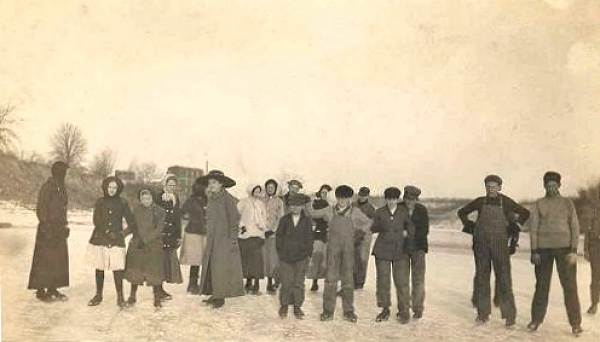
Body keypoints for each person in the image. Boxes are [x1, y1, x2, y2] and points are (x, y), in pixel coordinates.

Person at [457, 175, 529, 326]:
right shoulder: (480, 201)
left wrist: (516, 226)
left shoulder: (506, 202)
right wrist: (471, 227)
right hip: (481, 245)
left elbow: (525, 213)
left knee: (504, 279)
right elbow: (462, 212)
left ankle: (509, 316)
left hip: (500, 245)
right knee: (482, 279)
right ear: (485, 187)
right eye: (488, 186)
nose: (491, 189)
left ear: (500, 187)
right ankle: (483, 314)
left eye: (494, 186)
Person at [528, 171, 583, 336]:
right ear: (544, 186)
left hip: (565, 250)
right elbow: (533, 229)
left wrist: (574, 250)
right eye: (548, 185)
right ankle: (536, 320)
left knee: (570, 287)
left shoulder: (567, 203)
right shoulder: (539, 204)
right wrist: (534, 251)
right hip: (543, 251)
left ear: (559, 185)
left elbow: (575, 227)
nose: (551, 188)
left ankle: (575, 324)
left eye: (554, 185)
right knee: (541, 287)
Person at [319, 185, 372, 323]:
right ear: (337, 198)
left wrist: (360, 233)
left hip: (349, 251)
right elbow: (314, 213)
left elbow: (369, 222)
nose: (342, 201)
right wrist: (306, 204)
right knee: (330, 280)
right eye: (340, 198)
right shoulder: (330, 210)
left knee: (348, 281)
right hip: (333, 251)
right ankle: (327, 311)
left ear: (350, 198)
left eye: (346, 198)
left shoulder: (355, 211)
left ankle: (348, 311)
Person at [86, 176, 136, 308]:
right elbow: (96, 221)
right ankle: (98, 295)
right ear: (105, 188)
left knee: (117, 268)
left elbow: (132, 222)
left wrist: (122, 234)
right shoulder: (100, 202)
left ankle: (120, 298)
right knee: (100, 266)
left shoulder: (123, 203)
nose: (112, 190)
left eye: (115, 187)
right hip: (100, 238)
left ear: (118, 189)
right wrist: (107, 233)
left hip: (116, 241)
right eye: (110, 187)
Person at [198, 170, 244, 308]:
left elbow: (234, 220)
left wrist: (232, 239)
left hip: (224, 240)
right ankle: (214, 293)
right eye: (209, 182)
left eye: (214, 182)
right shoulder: (212, 198)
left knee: (221, 268)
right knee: (212, 267)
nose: (211, 185)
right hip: (212, 239)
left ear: (221, 184)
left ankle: (220, 297)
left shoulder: (228, 199)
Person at [27, 161, 71, 302]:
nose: (65, 174)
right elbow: (41, 209)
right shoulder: (48, 186)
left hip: (58, 230)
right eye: (63, 171)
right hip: (47, 230)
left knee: (57, 260)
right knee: (44, 260)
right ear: (57, 172)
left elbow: (62, 210)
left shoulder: (61, 187)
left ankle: (53, 288)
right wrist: (46, 227)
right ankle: (40, 290)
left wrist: (64, 226)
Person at [371, 187, 415, 324]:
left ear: (398, 199)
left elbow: (411, 226)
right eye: (389, 199)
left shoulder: (403, 211)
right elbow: (373, 227)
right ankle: (384, 309)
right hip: (382, 250)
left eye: (394, 199)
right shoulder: (379, 212)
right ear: (386, 199)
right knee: (383, 282)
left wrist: (408, 233)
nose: (391, 201)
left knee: (402, 282)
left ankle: (404, 311)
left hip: (400, 251)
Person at [124, 188, 165, 308]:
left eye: (148, 198)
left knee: (155, 274)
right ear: (140, 199)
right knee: (135, 272)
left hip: (153, 246)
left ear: (152, 198)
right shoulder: (136, 210)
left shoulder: (159, 211)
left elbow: (159, 229)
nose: (146, 201)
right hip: (137, 245)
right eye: (143, 198)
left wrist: (146, 240)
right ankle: (132, 296)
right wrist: (122, 235)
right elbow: (132, 226)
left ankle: (157, 298)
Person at [276, 193, 314, 319]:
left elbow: (310, 239)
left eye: (298, 205)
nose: (295, 208)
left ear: (303, 206)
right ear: (289, 207)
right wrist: (281, 252)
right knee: (286, 282)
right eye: (292, 205)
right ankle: (284, 305)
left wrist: (308, 254)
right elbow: (279, 238)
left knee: (298, 282)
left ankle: (297, 306)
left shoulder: (307, 221)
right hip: (286, 257)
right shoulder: (284, 220)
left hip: (301, 257)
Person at [401, 186, 429, 319]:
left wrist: (409, 234)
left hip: (418, 249)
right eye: (407, 199)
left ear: (416, 200)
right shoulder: (398, 208)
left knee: (418, 280)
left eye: (412, 200)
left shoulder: (422, 210)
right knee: (402, 280)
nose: (409, 202)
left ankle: (418, 308)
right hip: (401, 249)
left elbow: (424, 230)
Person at [155, 174, 184, 300]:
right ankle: (157, 290)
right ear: (164, 185)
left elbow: (177, 218)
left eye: (173, 185)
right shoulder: (158, 197)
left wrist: (178, 235)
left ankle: (160, 289)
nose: (171, 187)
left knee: (167, 263)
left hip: (171, 236)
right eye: (169, 185)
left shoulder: (175, 198)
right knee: (158, 263)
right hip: (160, 235)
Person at [180, 178, 208, 295]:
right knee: (195, 259)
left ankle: (204, 284)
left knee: (206, 259)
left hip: (206, 232)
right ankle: (192, 284)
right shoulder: (191, 200)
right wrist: (188, 218)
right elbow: (182, 212)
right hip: (194, 232)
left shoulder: (209, 200)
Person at [238, 184, 268, 295]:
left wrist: (263, 228)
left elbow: (264, 217)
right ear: (251, 191)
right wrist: (241, 226)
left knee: (257, 260)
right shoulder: (243, 202)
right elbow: (237, 215)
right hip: (246, 235)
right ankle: (248, 282)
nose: (257, 193)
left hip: (258, 234)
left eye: (259, 191)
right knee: (246, 260)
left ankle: (256, 285)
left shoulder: (261, 204)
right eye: (255, 191)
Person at [262, 179, 285, 294]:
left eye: (272, 187)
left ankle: (275, 281)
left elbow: (281, 218)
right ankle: (268, 281)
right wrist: (263, 230)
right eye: (268, 187)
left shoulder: (279, 202)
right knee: (265, 259)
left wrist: (272, 230)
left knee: (273, 259)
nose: (270, 189)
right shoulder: (261, 200)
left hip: (273, 235)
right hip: (262, 233)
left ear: (275, 189)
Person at [308, 184, 332, 292]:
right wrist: (323, 216)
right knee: (316, 256)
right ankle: (314, 281)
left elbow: (331, 218)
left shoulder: (330, 204)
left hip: (328, 233)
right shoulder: (316, 203)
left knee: (327, 258)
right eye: (323, 192)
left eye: (326, 193)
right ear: (319, 192)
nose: (324, 194)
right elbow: (313, 215)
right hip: (318, 232)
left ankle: (328, 282)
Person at [353, 186, 376, 289]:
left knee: (363, 258)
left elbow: (372, 223)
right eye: (361, 195)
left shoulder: (371, 208)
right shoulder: (353, 205)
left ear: (368, 196)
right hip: (353, 234)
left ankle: (360, 281)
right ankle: (352, 279)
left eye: (364, 195)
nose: (362, 197)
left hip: (365, 236)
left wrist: (363, 233)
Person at [584, 193, 600, 315]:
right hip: (595, 247)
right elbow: (587, 232)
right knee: (595, 277)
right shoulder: (594, 212)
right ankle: (594, 304)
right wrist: (586, 250)